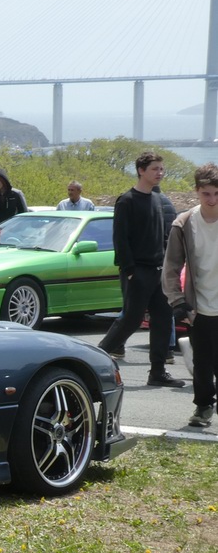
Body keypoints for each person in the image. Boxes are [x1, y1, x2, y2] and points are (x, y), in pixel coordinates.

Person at [97, 151, 183, 387]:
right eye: (155, 169)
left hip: (158, 270)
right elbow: (120, 238)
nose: (160, 173)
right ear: (141, 170)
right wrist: (130, 270)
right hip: (138, 271)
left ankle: (157, 372)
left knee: (164, 318)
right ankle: (95, 360)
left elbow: (163, 236)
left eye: (161, 169)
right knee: (132, 319)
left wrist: (167, 265)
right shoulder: (127, 200)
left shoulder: (157, 199)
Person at [163, 163, 218, 425]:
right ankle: (204, 407)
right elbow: (171, 266)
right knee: (202, 363)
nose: (212, 199)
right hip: (199, 306)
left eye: (217, 194)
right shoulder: (184, 223)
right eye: (206, 193)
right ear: (197, 191)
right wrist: (178, 301)